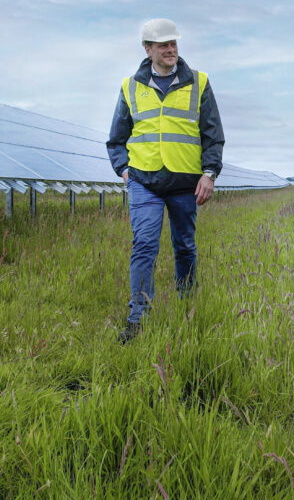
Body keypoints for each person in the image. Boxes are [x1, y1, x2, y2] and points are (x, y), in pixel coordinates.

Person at [107, 18, 225, 344]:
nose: (171, 49)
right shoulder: (131, 87)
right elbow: (116, 138)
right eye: (164, 45)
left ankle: (188, 305)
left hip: (186, 181)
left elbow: (213, 135)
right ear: (148, 49)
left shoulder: (199, 83)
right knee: (144, 244)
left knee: (184, 246)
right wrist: (123, 169)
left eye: (174, 43)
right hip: (144, 181)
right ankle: (138, 318)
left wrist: (209, 173)